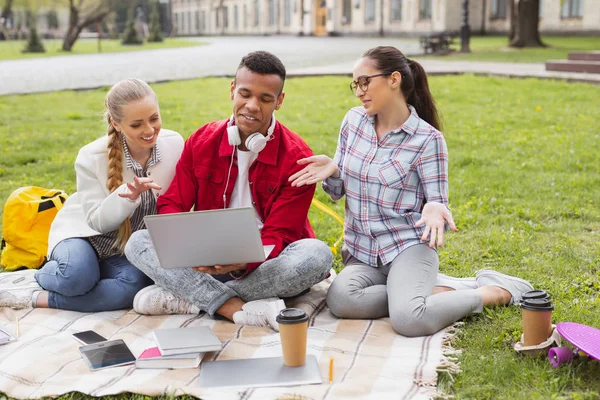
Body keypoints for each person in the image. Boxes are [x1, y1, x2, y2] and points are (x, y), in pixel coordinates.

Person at [289, 46, 533, 337]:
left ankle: (495, 291)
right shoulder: (353, 122)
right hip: (363, 254)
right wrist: (334, 169)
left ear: (394, 79)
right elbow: (339, 191)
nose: (359, 91)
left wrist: (434, 208)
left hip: (407, 248)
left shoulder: (428, 140)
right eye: (355, 84)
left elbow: (437, 201)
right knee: (341, 300)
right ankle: (427, 290)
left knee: (409, 320)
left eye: (365, 82)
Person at [124, 51, 333, 331]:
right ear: (232, 90)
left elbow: (280, 234)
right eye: (245, 94)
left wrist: (240, 262)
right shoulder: (202, 140)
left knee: (317, 255)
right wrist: (191, 248)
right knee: (138, 241)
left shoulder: (298, 157)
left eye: (265, 98)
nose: (252, 106)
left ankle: (190, 297)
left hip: (263, 264)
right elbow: (172, 204)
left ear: (279, 101)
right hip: (202, 261)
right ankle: (231, 306)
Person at [0, 78, 184, 312]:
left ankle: (38, 298)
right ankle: (43, 274)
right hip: (84, 235)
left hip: (125, 247)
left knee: (134, 286)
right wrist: (127, 196)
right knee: (76, 278)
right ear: (116, 124)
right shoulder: (91, 156)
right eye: (136, 125)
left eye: (154, 118)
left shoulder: (174, 143)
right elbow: (96, 221)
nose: (149, 130)